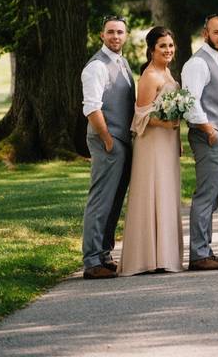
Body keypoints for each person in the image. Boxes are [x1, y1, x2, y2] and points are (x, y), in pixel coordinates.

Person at [120, 27, 184, 276]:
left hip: (167, 140)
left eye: (170, 46)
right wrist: (167, 123)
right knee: (152, 191)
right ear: (151, 50)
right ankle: (146, 257)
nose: (168, 50)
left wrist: (175, 134)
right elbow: (141, 114)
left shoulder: (167, 72)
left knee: (166, 192)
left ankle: (164, 255)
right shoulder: (149, 76)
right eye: (162, 47)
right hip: (152, 142)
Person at [80, 15, 135, 279]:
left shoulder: (122, 62)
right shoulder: (96, 66)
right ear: (102, 35)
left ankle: (104, 253)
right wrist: (107, 139)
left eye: (120, 32)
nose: (115, 36)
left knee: (114, 200)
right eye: (110, 32)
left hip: (121, 140)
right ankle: (91, 261)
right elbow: (91, 106)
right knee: (101, 199)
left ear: (126, 35)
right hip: (107, 140)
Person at [182, 14, 218, 270]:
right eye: (217, 32)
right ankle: (199, 255)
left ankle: (206, 249)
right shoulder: (198, 63)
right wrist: (209, 131)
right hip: (209, 138)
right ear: (205, 34)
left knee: (212, 197)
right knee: (205, 196)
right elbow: (191, 101)